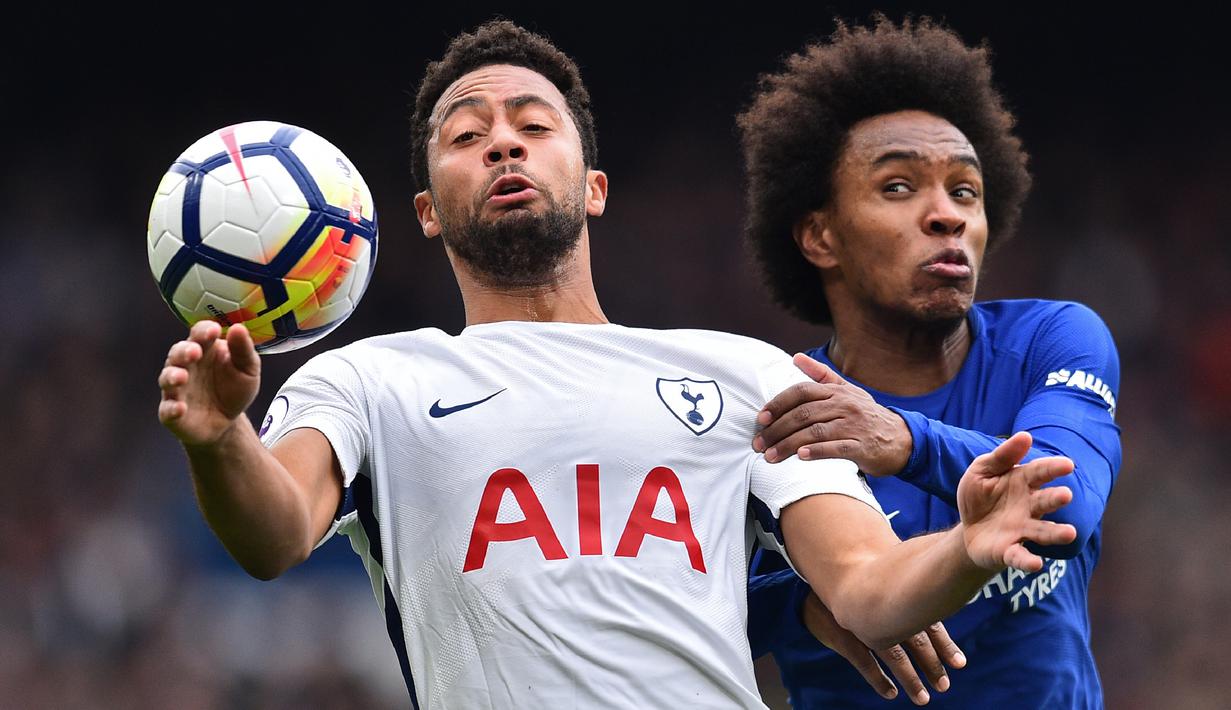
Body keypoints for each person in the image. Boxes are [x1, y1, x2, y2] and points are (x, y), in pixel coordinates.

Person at [156, 20, 1077, 708]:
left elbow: (870, 590)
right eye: (466, 136)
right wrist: (217, 437)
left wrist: (962, 549)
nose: (503, 143)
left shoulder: (746, 374)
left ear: (592, 187)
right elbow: (274, 537)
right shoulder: (367, 381)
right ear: (429, 209)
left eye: (532, 125)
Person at [740, 16, 1122, 709]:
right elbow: (682, 606)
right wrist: (801, 604)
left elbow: (1066, 506)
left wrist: (906, 440)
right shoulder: (769, 413)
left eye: (964, 191)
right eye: (897, 187)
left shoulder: (1054, 339)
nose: (945, 215)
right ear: (820, 236)